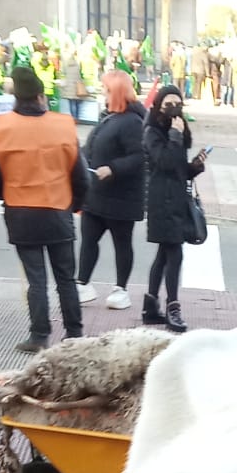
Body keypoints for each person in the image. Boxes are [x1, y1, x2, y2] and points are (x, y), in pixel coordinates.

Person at [0, 67, 89, 352]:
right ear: (41, 96)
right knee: (66, 277)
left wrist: (6, 194)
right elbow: (81, 176)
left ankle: (39, 336)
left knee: (36, 279)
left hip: (21, 213)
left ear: (15, 96)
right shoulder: (64, 126)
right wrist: (73, 204)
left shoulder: (0, 127)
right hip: (58, 211)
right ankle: (75, 334)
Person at [75, 68, 144, 310]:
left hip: (121, 196)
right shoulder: (109, 117)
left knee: (122, 243)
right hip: (96, 193)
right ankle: (82, 283)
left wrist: (113, 168)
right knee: (88, 240)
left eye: (105, 89)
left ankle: (121, 289)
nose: (102, 93)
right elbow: (91, 148)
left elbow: (139, 157)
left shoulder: (133, 122)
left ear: (115, 92)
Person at [142, 83, 207, 334]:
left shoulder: (176, 130)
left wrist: (195, 167)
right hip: (161, 201)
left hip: (176, 198)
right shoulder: (153, 132)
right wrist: (175, 136)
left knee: (163, 254)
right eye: (167, 103)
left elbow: (178, 168)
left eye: (177, 103)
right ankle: (173, 307)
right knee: (174, 253)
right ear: (158, 106)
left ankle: (150, 306)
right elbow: (164, 161)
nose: (173, 108)